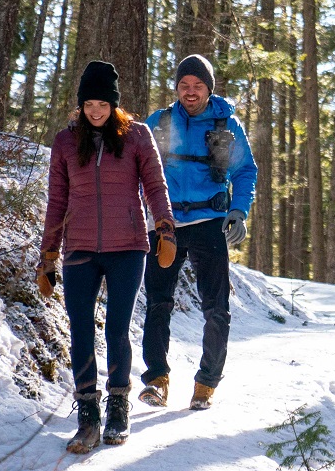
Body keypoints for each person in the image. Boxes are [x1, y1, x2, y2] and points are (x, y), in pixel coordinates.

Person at [37, 60, 178, 454]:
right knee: (80, 327)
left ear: (115, 105)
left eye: (103, 103)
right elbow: (56, 200)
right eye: (89, 104)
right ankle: (87, 413)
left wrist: (164, 226)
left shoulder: (137, 136)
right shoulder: (66, 142)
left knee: (116, 327)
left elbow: (155, 185)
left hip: (128, 247)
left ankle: (118, 405)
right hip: (79, 248)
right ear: (80, 105)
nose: (95, 111)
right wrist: (48, 253)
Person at [139, 54, 258, 411]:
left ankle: (206, 382)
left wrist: (238, 212)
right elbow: (136, 169)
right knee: (158, 303)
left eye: (198, 86)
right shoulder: (157, 122)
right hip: (165, 224)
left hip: (210, 223)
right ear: (177, 88)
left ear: (209, 88)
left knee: (216, 309)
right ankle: (156, 380)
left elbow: (245, 172)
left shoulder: (228, 125)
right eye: (184, 85)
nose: (191, 92)